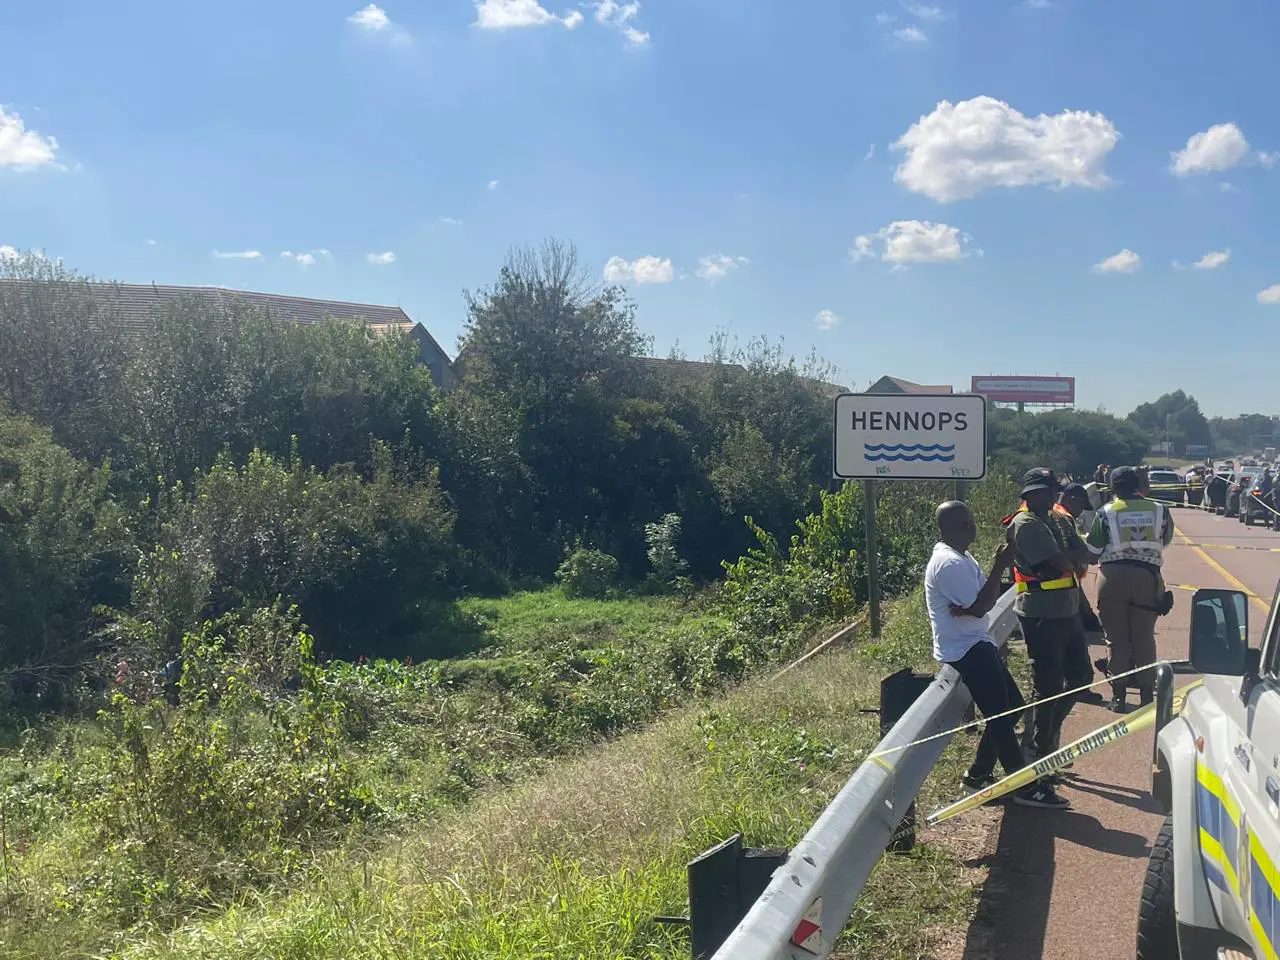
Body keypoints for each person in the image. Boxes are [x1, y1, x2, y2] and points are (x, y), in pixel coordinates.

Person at [925, 500, 1069, 809]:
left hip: (976, 641)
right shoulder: (949, 563)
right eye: (971, 521)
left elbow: (978, 602)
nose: (975, 526)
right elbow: (982, 605)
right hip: (965, 649)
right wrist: (999, 568)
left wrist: (977, 601)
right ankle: (1022, 785)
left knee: (1011, 707)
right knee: (1001, 716)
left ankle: (977, 775)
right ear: (963, 526)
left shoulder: (962, 558)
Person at [1006, 468, 1096, 765]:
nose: (1055, 494)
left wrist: (1068, 558)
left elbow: (1085, 554)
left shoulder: (1058, 518)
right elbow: (1056, 563)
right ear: (1032, 493)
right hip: (1042, 612)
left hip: (1067, 609)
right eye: (1049, 490)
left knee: (1081, 676)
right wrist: (1067, 558)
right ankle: (1038, 748)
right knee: (1048, 684)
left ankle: (1045, 736)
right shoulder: (1026, 523)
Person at [1086, 466, 1176, 713]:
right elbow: (1164, 541)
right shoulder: (1160, 510)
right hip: (1147, 576)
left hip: (1112, 576)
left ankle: (1118, 696)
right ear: (1139, 484)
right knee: (1144, 637)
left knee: (1116, 639)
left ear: (1113, 488)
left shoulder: (1106, 512)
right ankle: (1147, 695)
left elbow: (1093, 551)